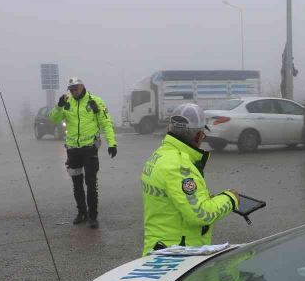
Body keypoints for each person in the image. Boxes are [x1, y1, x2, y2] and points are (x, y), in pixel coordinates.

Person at [141, 103, 239, 255]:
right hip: (177, 254)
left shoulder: (160, 155)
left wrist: (205, 198)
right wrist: (230, 198)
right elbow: (200, 214)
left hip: (160, 248)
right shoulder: (179, 166)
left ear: (169, 129)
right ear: (198, 136)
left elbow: (175, 198)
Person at [49, 77, 117, 228]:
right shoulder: (67, 102)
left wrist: (112, 143)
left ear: (82, 86)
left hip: (89, 148)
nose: (74, 91)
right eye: (71, 89)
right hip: (73, 149)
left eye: (76, 88)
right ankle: (81, 212)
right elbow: (54, 119)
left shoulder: (95, 101)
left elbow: (106, 123)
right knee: (76, 182)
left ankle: (93, 216)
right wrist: (59, 106)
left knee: (91, 183)